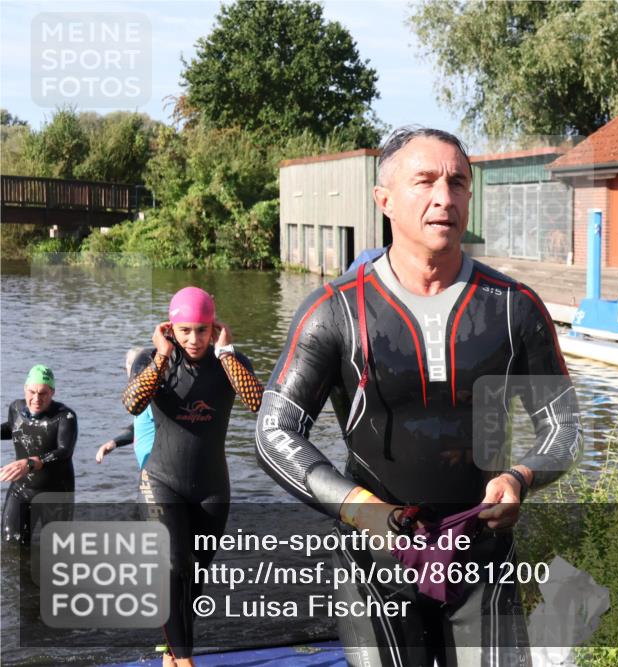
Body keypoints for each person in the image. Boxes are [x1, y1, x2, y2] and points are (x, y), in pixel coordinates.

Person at [256, 126, 582, 666]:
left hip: (482, 555)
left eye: (457, 183)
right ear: (384, 200)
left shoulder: (513, 307)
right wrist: (358, 507)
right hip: (376, 559)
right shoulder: (335, 311)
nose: (443, 198)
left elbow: (564, 427)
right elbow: (274, 432)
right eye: (425, 181)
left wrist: (520, 477)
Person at [122, 287, 263, 667]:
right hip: (161, 479)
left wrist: (227, 352)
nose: (193, 339)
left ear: (214, 327)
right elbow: (132, 402)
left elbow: (257, 403)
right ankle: (186, 661)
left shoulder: (228, 362)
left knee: (194, 577)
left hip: (211, 487)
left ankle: (172, 653)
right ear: (170, 328)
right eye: (184, 330)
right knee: (172, 567)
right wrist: (164, 354)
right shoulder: (154, 361)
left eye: (202, 330)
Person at [1, 365, 77, 546]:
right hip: (21, 489)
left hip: (56, 493)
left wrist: (32, 462)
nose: (36, 398)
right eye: (32, 392)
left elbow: (64, 451)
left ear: (52, 392)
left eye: (43, 393)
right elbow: (14, 428)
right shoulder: (16, 408)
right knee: (11, 544)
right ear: (25, 389)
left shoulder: (65, 417)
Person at [96, 347, 155, 468]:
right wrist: (115, 442)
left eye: (139, 362)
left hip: (159, 469)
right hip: (148, 469)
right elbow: (140, 426)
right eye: (130, 363)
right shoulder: (139, 398)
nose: (134, 367)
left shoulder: (153, 396)